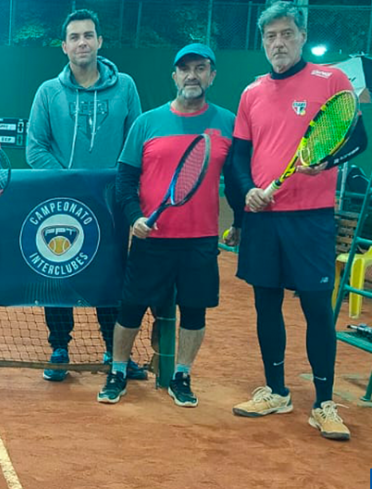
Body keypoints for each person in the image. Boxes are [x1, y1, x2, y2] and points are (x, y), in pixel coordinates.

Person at [229, 1, 367, 441]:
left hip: (311, 219)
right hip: (263, 218)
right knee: (265, 304)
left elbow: (357, 139)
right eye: (270, 36)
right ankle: (276, 391)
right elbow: (238, 157)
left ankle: (324, 403)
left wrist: (327, 161)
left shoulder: (332, 81)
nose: (278, 43)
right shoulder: (251, 92)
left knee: (315, 307)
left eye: (287, 34)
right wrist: (248, 190)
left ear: (302, 36)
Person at [97, 43, 242, 407]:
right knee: (130, 307)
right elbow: (125, 181)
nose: (192, 75)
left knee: (194, 310)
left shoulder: (227, 123)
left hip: (201, 241)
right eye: (185, 69)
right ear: (174, 76)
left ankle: (182, 375)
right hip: (152, 239)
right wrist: (135, 217)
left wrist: (240, 221)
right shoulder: (147, 123)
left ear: (212, 75)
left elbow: (236, 181)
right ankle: (117, 371)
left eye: (200, 68)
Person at [25, 9, 145, 382]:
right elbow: (35, 148)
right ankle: (59, 348)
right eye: (74, 37)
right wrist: (72, 181)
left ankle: (114, 350)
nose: (82, 43)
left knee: (111, 274)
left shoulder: (125, 86)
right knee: (59, 273)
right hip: (63, 203)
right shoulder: (48, 91)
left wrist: (115, 185)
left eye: (88, 35)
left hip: (111, 204)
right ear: (64, 46)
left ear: (99, 41)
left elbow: (136, 143)